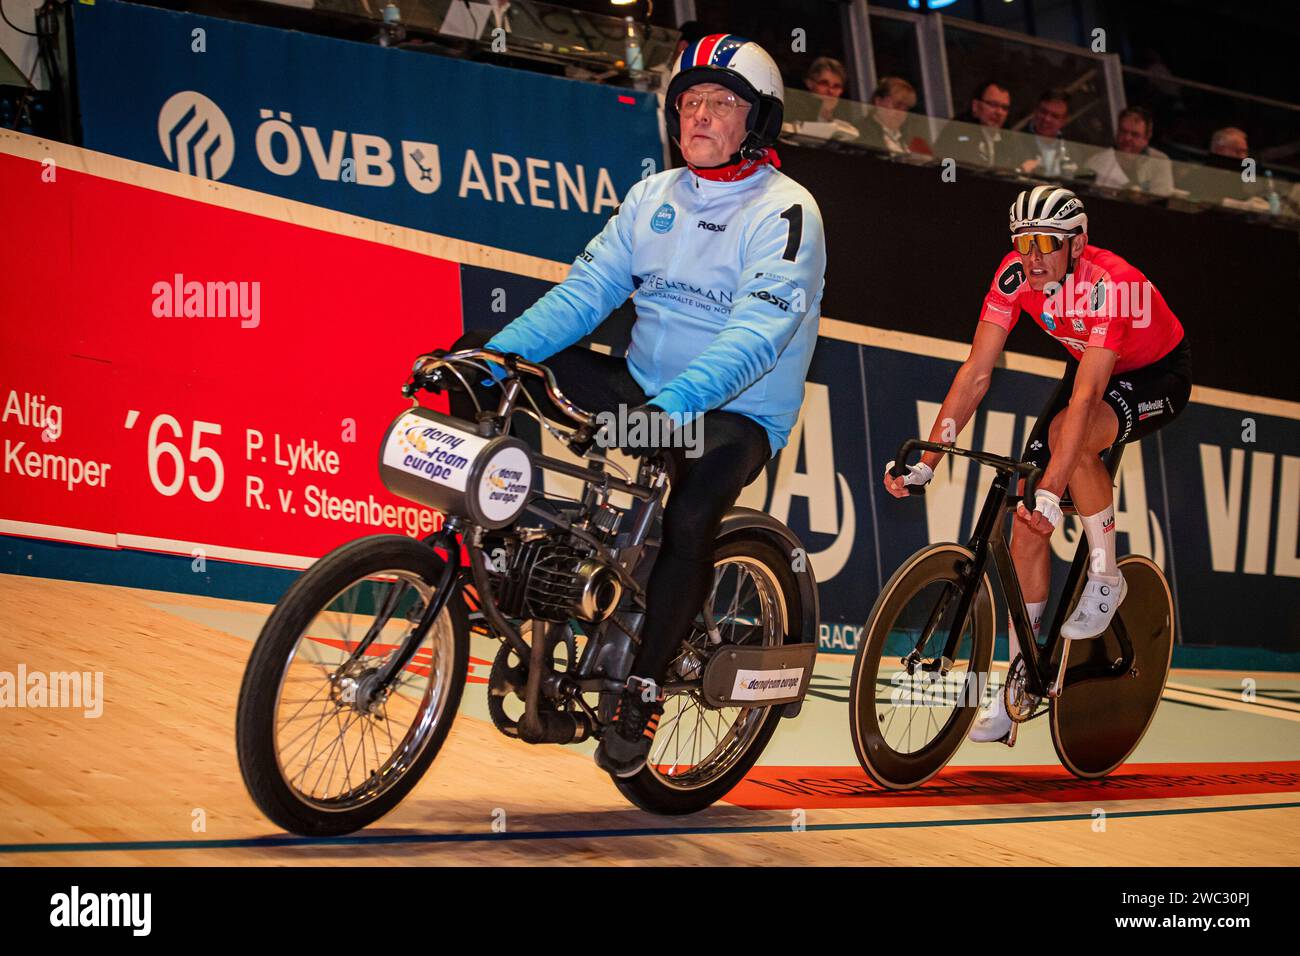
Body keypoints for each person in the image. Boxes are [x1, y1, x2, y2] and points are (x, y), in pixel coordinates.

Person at [446, 34, 826, 776]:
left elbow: (757, 336)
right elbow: (585, 296)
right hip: (647, 386)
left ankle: (645, 688)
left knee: (689, 517)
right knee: (484, 359)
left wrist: (673, 410)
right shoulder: (653, 196)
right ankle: (500, 543)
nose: (700, 116)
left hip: (734, 411)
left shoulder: (787, 211)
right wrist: (495, 360)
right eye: (689, 102)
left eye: (722, 103)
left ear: (760, 119)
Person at [883, 185, 1190, 746]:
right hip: (1089, 371)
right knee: (1023, 520)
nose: (1032, 256)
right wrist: (929, 459)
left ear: (1078, 244)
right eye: (1024, 242)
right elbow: (977, 372)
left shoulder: (1110, 285)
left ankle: (1106, 573)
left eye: (1046, 242)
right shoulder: (1012, 277)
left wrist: (1053, 489)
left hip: (1153, 374)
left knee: (1064, 449)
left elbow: (1089, 396)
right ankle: (1020, 681)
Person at [933, 80, 1027, 170]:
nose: (999, 112)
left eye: (1004, 108)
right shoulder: (959, 129)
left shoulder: (1007, 137)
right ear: (976, 106)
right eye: (993, 105)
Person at [1085, 106, 1174, 197]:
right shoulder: (1097, 161)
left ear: (1146, 138)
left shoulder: (1159, 161)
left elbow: (1160, 199)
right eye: (1123, 131)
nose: (1127, 138)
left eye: (1134, 134)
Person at [859, 76, 933, 157]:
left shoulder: (910, 137)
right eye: (897, 106)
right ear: (879, 102)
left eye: (905, 109)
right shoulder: (861, 133)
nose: (901, 113)